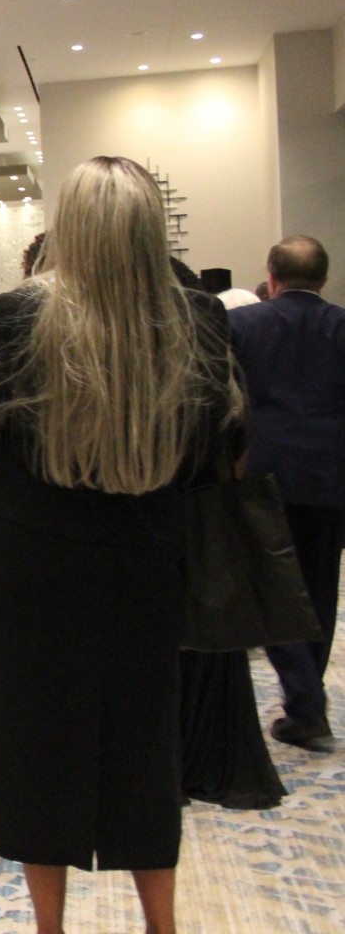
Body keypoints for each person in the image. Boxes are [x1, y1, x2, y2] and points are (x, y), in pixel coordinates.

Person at [0, 156, 241, 934]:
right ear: (153, 228)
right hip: (142, 553)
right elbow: (214, 455)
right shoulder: (199, 318)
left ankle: (49, 928)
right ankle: (161, 925)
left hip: (30, 558)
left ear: (69, 228)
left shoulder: (20, 313)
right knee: (144, 741)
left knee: (32, 744)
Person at [229, 235, 345, 748]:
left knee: (269, 589)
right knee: (319, 590)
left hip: (263, 471)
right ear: (325, 278)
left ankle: (307, 705)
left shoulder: (241, 325)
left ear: (271, 277)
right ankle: (307, 703)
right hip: (331, 476)